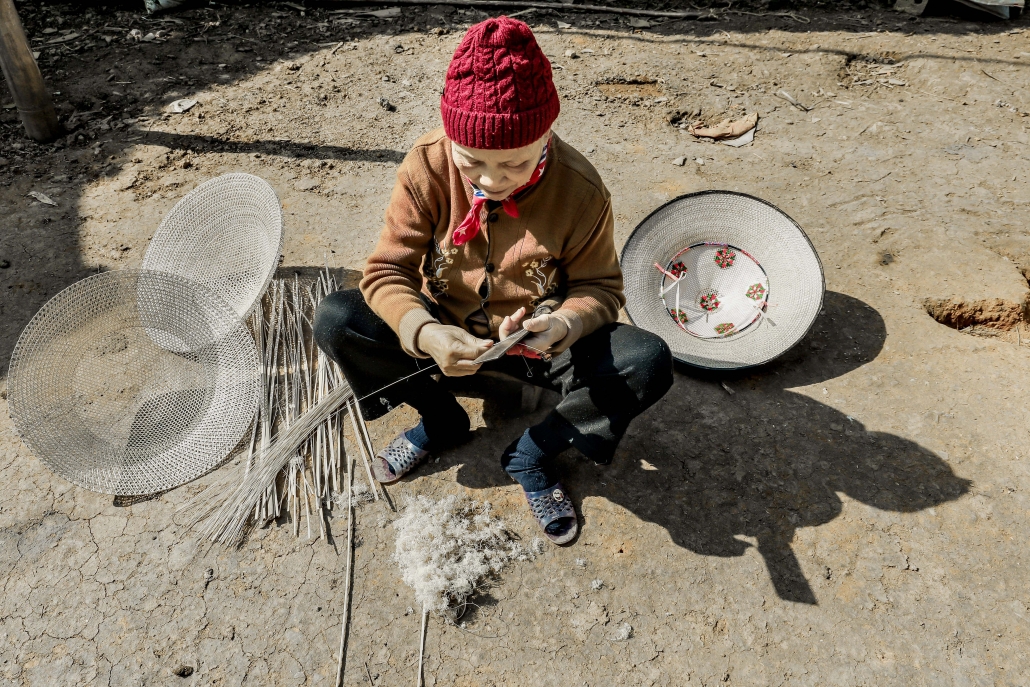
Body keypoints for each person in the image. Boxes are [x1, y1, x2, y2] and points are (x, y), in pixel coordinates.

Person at [314, 16, 672, 545]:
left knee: (647, 361)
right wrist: (426, 333)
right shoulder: (427, 167)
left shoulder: (580, 189)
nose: (490, 180)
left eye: (514, 164)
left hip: (537, 347)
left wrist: (560, 325)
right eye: (472, 161)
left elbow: (601, 290)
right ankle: (440, 420)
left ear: (546, 134)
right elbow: (386, 272)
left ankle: (533, 451)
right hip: (447, 335)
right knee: (337, 319)